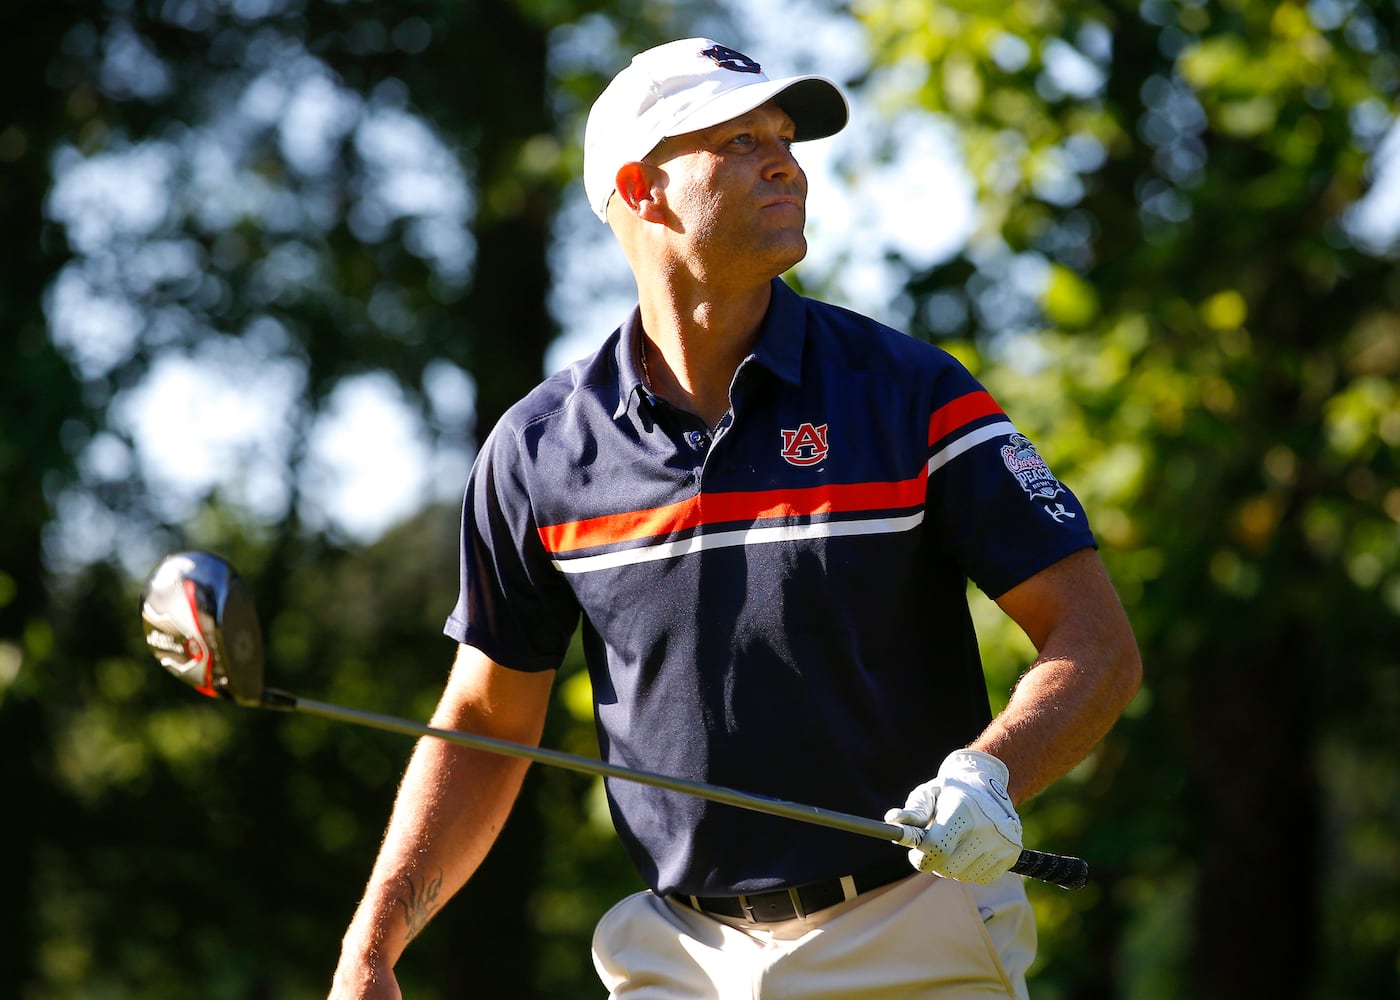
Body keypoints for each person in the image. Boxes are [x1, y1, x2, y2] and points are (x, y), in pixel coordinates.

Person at [330, 37, 1141, 999]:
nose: (785, 161)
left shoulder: (909, 393)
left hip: (909, 933)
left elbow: (1094, 641)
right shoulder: (538, 451)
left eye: (786, 137)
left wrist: (990, 775)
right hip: (674, 958)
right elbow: (483, 720)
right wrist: (373, 945)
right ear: (642, 190)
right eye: (739, 139)